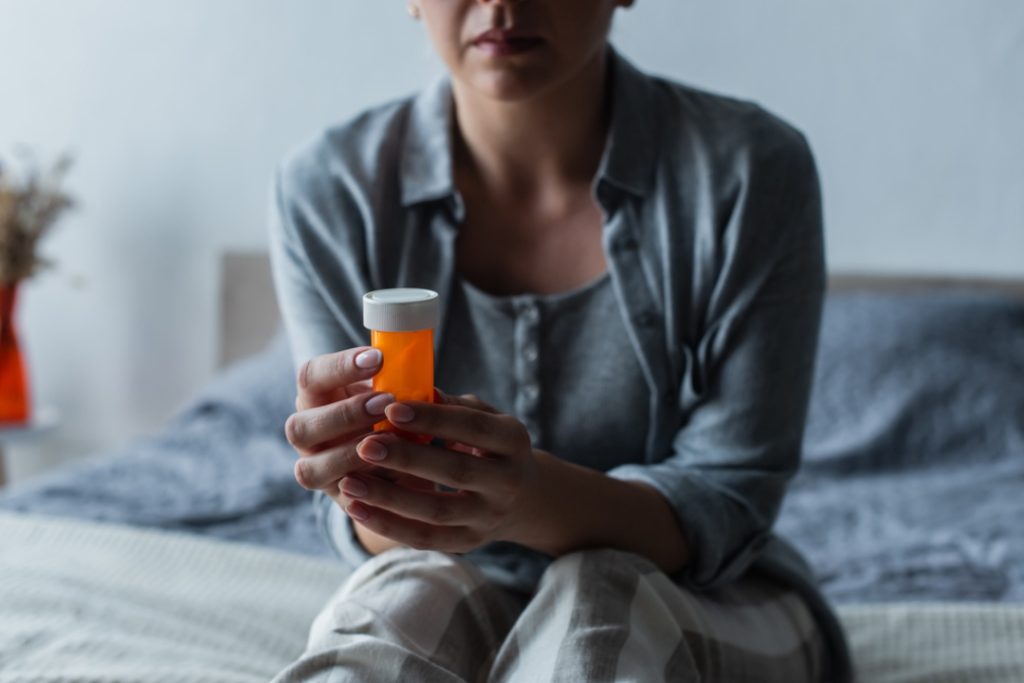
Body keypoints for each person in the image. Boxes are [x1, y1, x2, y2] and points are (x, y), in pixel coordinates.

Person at [268, 1, 852, 681]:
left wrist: (529, 499)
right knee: (399, 604)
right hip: (443, 568)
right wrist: (362, 478)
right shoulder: (329, 191)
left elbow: (729, 502)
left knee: (600, 601)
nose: (501, 4)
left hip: (710, 589)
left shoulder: (749, 171)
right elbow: (374, 533)